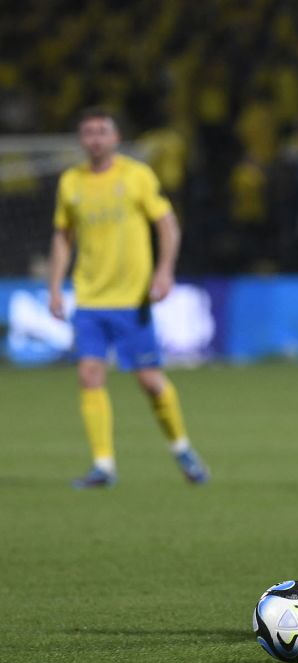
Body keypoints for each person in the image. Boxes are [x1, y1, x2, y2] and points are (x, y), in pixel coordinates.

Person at [48, 107, 210, 489]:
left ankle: (181, 446)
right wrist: (55, 286)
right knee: (89, 375)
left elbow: (167, 224)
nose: (95, 139)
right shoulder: (71, 181)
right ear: (81, 140)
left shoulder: (136, 176)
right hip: (89, 298)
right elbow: (62, 235)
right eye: (88, 132)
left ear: (116, 139)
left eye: (102, 131)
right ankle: (103, 465)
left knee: (150, 381)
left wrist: (165, 269)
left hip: (131, 299)